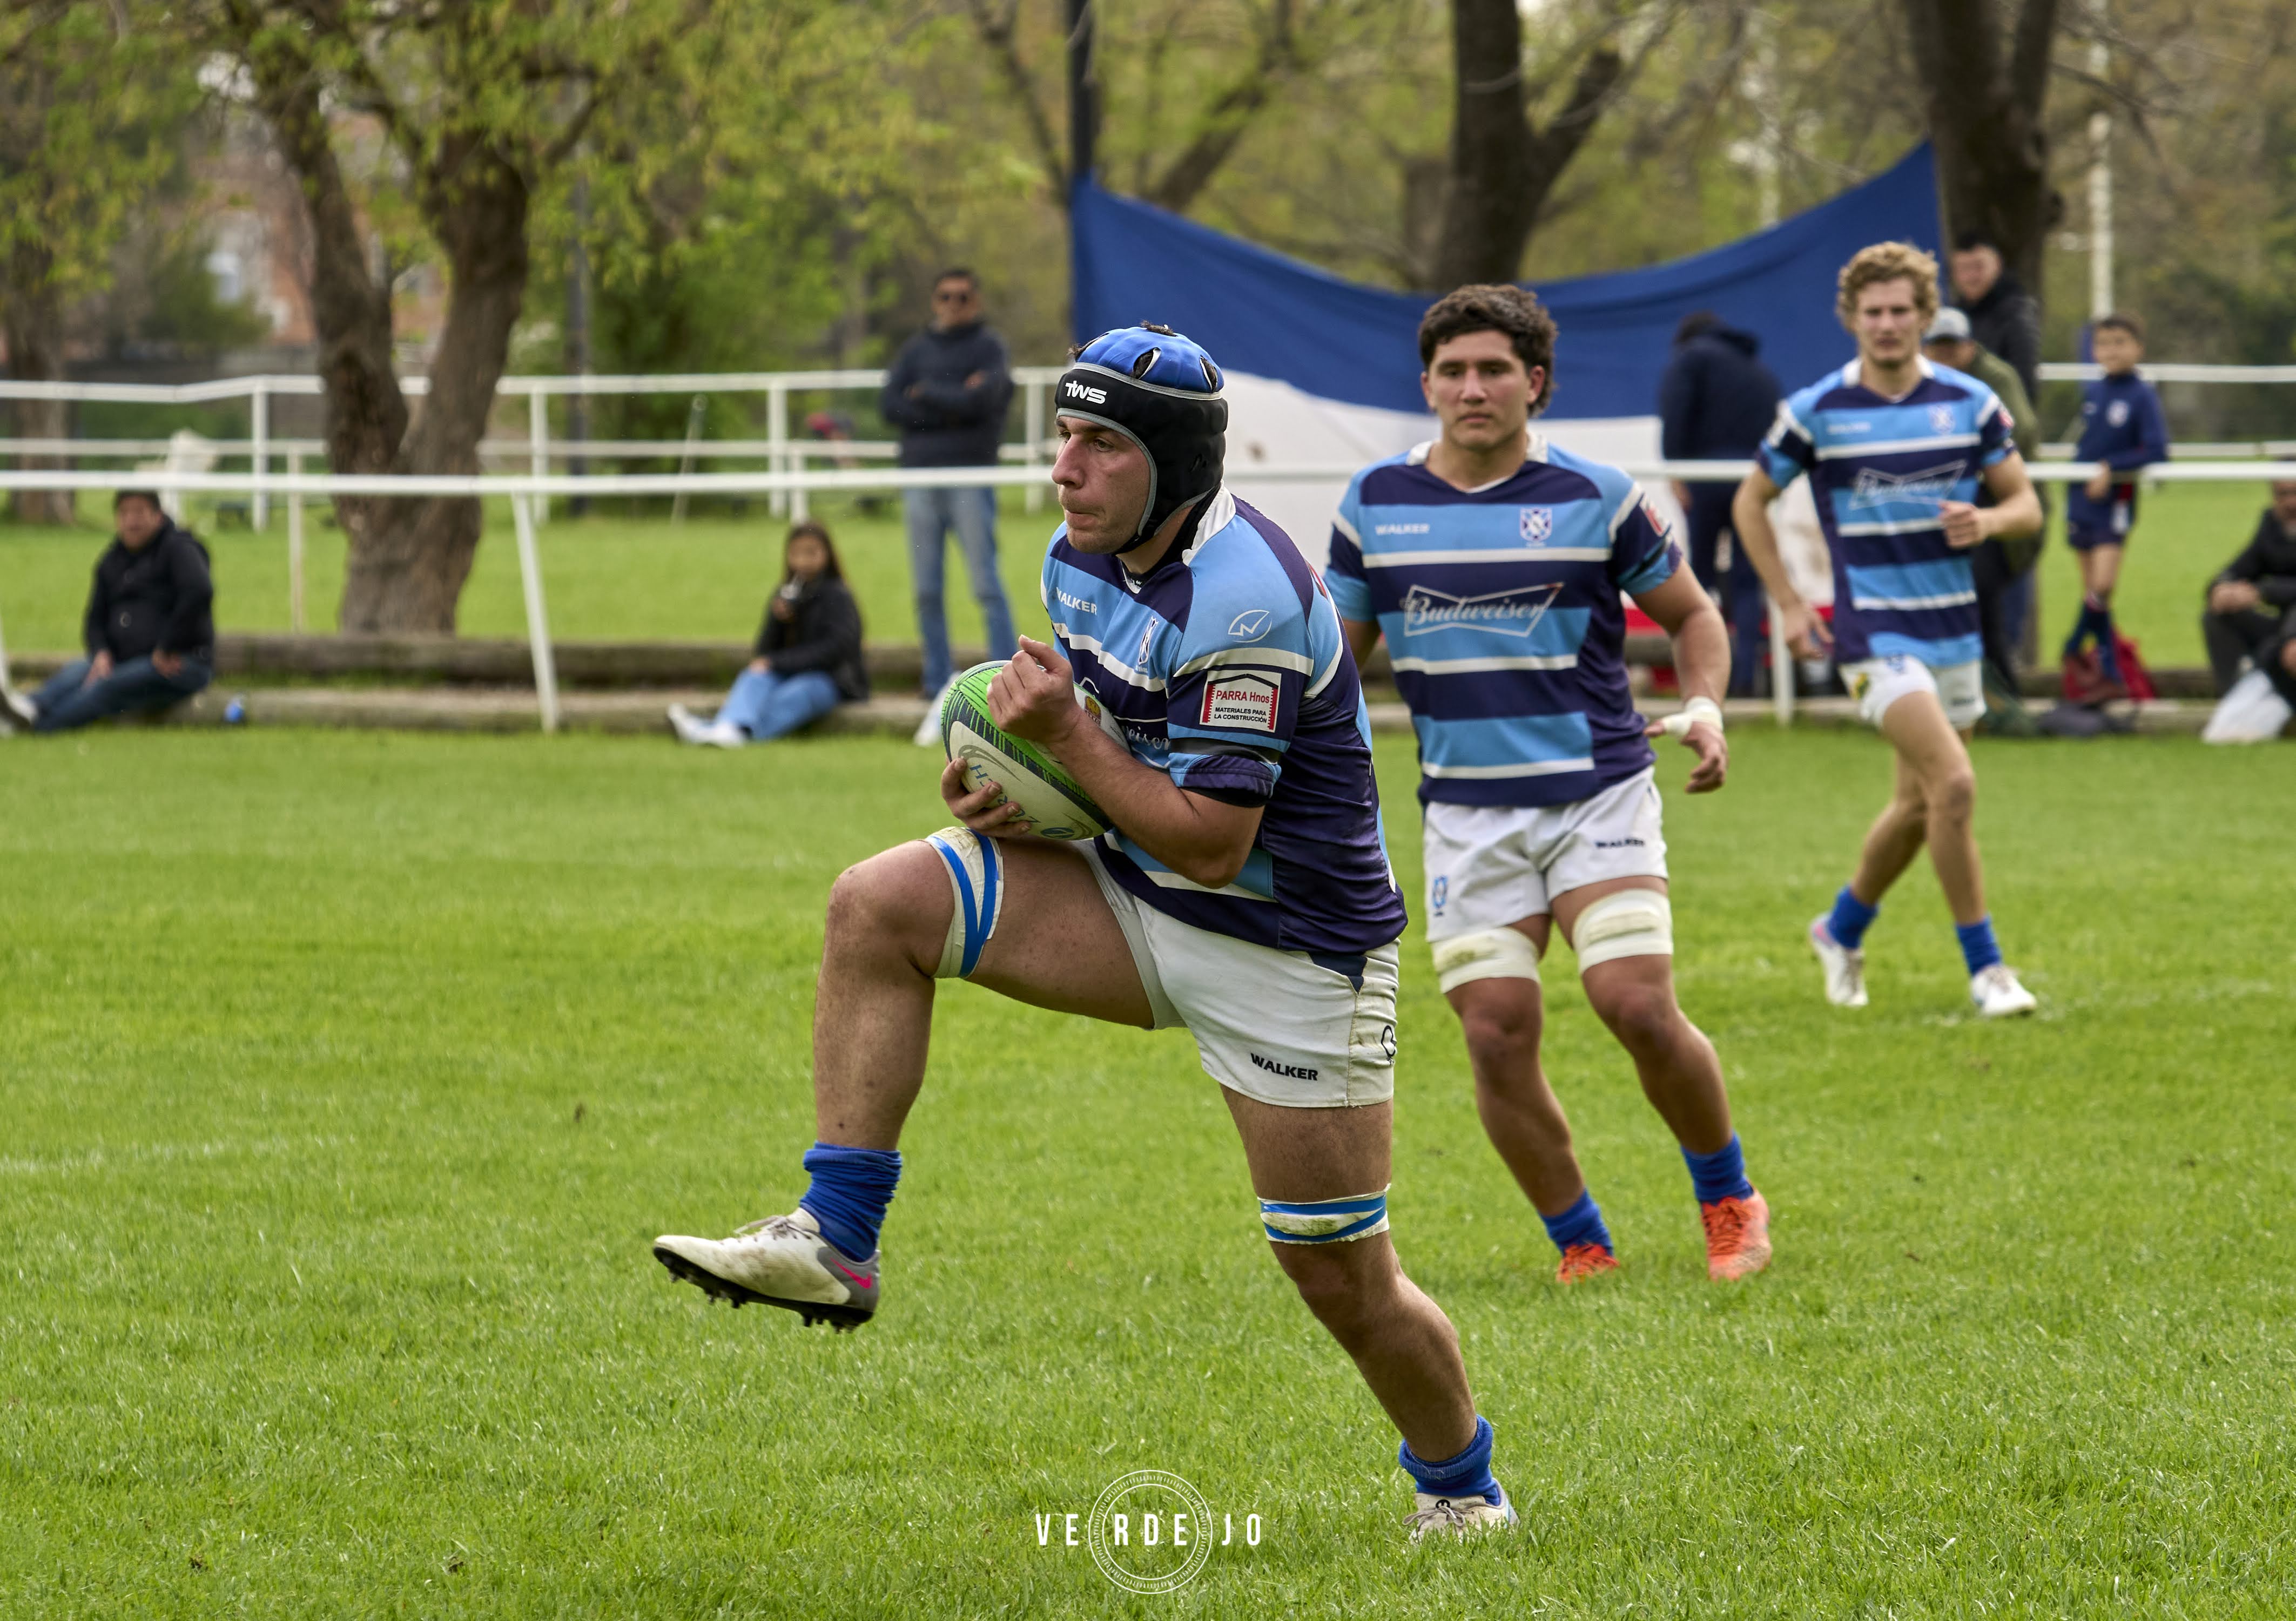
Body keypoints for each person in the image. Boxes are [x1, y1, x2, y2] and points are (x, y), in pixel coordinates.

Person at [654, 323, 1518, 1541]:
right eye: (1062, 435)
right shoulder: (1077, 553)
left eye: (1101, 443)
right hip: (1132, 891)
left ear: (1171, 463)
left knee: (1339, 1274)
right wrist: (1006, 793)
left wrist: (1065, 744)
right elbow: (1111, 747)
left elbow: (1214, 838)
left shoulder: (1248, 593)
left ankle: (1461, 1488)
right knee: (878, 902)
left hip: (1290, 950)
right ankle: (836, 1238)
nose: (1066, 468)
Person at [1326, 285, 1769, 1289]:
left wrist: (1706, 705)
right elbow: (1333, 663)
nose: (1472, 388)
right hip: (1466, 813)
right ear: (1427, 384)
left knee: (1636, 1005)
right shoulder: (1375, 505)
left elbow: (1697, 618)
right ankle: (1581, 1240)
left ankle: (1729, 1197)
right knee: (1493, 1031)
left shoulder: (1597, 495)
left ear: (1536, 383)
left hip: (1595, 795)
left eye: (1493, 370)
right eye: (1452, 371)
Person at [1731, 242, 2044, 1018]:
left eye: (1900, 310)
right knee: (1956, 784)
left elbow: (2026, 506)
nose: (1885, 324)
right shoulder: (1817, 410)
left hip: (1954, 633)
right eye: (1871, 312)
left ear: (1921, 315)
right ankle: (1987, 969)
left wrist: (1989, 517)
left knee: (1918, 805)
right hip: (1872, 633)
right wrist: (1792, 605)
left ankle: (1838, 929)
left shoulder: (1969, 402)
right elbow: (1748, 503)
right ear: (1849, 319)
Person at [879, 268, 1018, 698]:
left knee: (985, 583)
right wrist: (954, 402)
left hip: (970, 480)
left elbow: (986, 401)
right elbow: (889, 405)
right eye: (945, 297)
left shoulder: (989, 347)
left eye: (962, 297)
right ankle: (935, 679)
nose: (953, 305)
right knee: (925, 588)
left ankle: (1005, 679)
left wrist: (926, 396)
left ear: (975, 301)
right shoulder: (916, 349)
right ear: (934, 300)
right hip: (920, 478)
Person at [2, 490, 212, 736]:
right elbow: (94, 618)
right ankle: (27, 709)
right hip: (123, 658)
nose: (131, 521)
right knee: (76, 673)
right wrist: (101, 652)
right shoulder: (112, 560)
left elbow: (198, 593)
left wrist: (167, 647)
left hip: (177, 662)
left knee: (105, 687)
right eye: (124, 514)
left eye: (139, 513)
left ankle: (38, 730)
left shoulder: (179, 549)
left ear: (158, 516)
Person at [1921, 308, 2044, 701]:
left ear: (1969, 346)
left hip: (1997, 507)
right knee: (1972, 598)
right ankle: (1988, 692)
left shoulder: (1993, 382)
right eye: (1936, 348)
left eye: (1951, 347)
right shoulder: (1920, 384)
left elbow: (2019, 433)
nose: (1944, 355)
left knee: (1979, 592)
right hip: (1954, 509)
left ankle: (1997, 691)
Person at [1658, 310, 1782, 695]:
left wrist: (1674, 469)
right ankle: (1746, 676)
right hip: (1749, 481)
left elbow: (1675, 413)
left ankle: (1702, 679)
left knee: (1698, 580)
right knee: (1747, 581)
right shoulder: (1761, 373)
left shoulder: (1691, 358)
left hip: (1705, 478)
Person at [668, 521, 866, 747]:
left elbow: (836, 648)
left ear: (828, 554)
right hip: (790, 671)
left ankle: (712, 732)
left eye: (811, 553)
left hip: (831, 680)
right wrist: (778, 621)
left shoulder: (838, 596)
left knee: (798, 693)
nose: (803, 561)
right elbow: (764, 650)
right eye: (796, 554)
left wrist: (777, 662)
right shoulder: (786, 593)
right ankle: (725, 730)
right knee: (755, 677)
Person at [2062, 313, 2170, 685]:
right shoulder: (2092, 392)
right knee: (2095, 594)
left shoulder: (2141, 395)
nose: (2111, 350)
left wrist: (2112, 467)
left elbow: (2156, 450)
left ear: (2138, 348)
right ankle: (2109, 673)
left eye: (2120, 342)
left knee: (2102, 586)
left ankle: (2073, 644)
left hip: (2115, 503)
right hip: (2080, 499)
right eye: (2103, 343)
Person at [2200, 480, 2296, 699]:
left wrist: (2261, 592)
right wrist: (2222, 588)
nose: (2290, 502)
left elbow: (2263, 590)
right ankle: (2236, 699)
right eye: (2283, 494)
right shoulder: (2272, 526)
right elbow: (2241, 567)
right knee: (2218, 616)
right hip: (2283, 630)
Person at [1948, 233, 2042, 402]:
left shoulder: (2017, 314)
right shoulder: (1951, 316)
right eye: (1963, 269)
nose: (1971, 277)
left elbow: (2025, 384)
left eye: (1979, 267)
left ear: (1997, 265)